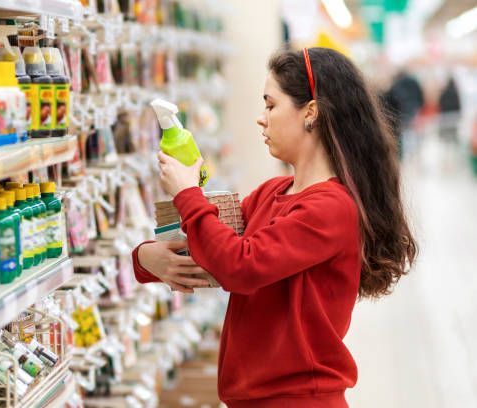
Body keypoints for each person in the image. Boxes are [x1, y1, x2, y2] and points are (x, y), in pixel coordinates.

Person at [132, 47, 417, 407]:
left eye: (270, 105)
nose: (261, 119)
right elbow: (210, 250)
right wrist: (146, 258)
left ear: (310, 113)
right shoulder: (272, 193)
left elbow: (241, 266)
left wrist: (189, 193)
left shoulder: (332, 208)